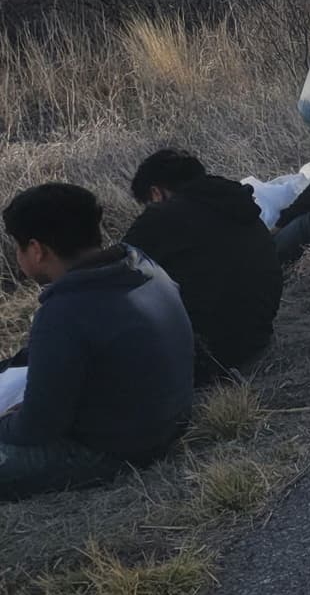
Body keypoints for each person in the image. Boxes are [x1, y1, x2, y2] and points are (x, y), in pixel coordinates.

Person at [0, 183, 193, 500]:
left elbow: (37, 428)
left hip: (117, 450)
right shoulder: (143, 266)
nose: (19, 257)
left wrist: (8, 422)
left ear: (36, 249)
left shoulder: (64, 311)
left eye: (18, 248)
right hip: (168, 422)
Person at [124, 150, 283, 382]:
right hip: (257, 335)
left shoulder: (162, 217)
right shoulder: (236, 201)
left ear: (156, 193)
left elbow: (112, 274)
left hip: (203, 354)